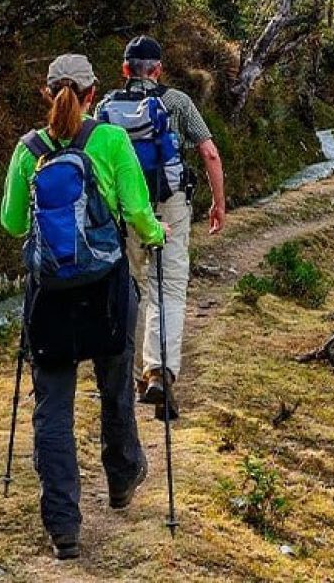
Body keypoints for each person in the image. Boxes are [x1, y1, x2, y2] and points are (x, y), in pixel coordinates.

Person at [0, 54, 167, 560]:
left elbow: (11, 224)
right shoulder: (111, 140)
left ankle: (63, 527)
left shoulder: (28, 150)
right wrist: (157, 234)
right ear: (94, 93)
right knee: (115, 388)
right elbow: (138, 212)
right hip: (105, 290)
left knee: (53, 409)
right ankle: (121, 478)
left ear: (47, 94)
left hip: (49, 296)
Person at [97, 35, 226, 413]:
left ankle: (138, 375)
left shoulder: (105, 106)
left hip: (126, 210)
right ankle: (160, 372)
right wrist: (219, 203)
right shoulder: (177, 102)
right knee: (168, 286)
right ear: (158, 69)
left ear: (125, 70)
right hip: (170, 205)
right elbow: (209, 152)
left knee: (133, 287)